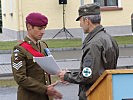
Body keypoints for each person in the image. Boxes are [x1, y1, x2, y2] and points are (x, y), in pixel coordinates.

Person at [58, 3, 119, 100]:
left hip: (93, 93)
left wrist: (67, 76)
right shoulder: (109, 39)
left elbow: (87, 76)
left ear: (87, 21)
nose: (80, 24)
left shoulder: (93, 44)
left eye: (81, 20)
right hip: (106, 91)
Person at [11, 12, 62, 100]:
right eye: (40, 28)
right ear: (29, 27)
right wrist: (45, 89)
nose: (43, 32)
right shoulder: (20, 50)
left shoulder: (43, 45)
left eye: (44, 28)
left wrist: (61, 74)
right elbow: (20, 78)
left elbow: (48, 68)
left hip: (46, 96)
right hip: (30, 96)